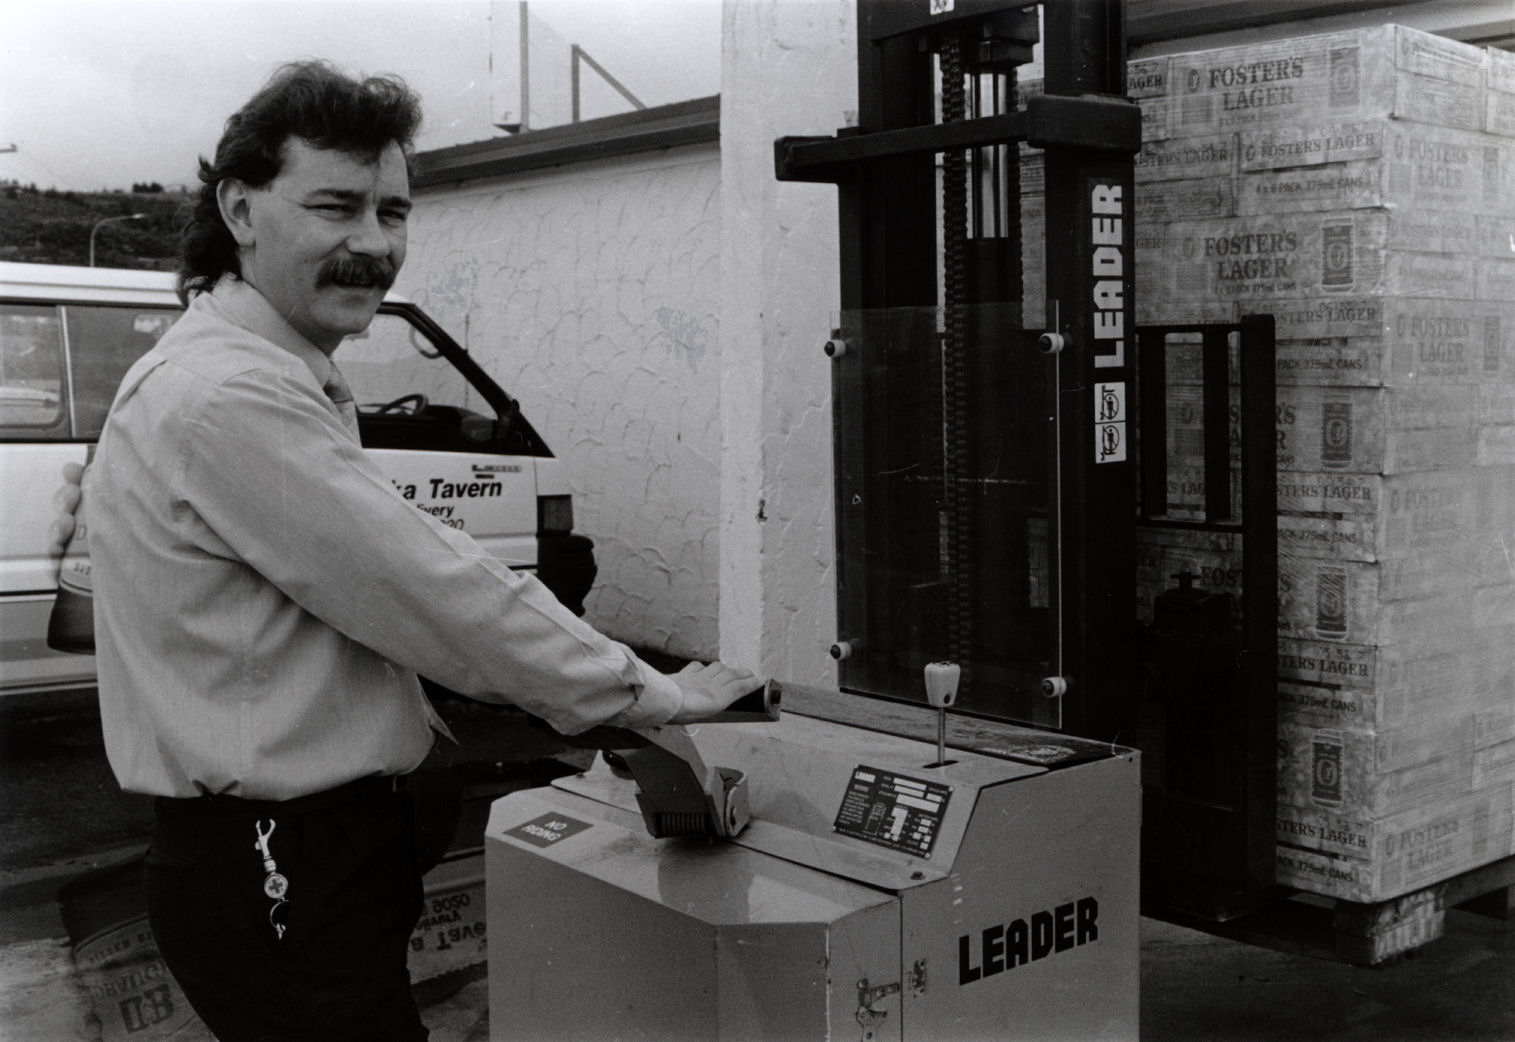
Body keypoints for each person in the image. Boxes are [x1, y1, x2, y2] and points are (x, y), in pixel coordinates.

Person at [68, 60, 760, 1042]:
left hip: (292, 862)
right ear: (240, 208)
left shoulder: (233, 374)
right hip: (281, 865)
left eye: (393, 212)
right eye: (337, 206)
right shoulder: (231, 399)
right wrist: (652, 692)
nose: (373, 244)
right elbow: (430, 586)